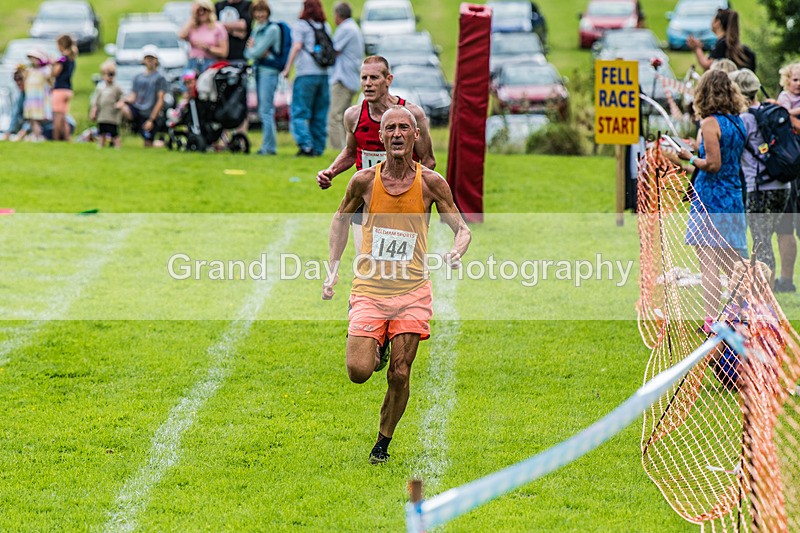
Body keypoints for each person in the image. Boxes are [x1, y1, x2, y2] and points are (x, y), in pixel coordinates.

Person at [322, 105, 471, 464]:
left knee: (400, 374)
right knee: (359, 372)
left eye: (405, 128)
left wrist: (457, 249)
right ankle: (378, 347)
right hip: (370, 289)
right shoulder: (364, 181)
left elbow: (462, 227)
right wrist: (332, 269)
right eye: (390, 129)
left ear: (416, 135)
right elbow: (340, 220)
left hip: (412, 292)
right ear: (381, 137)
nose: (398, 134)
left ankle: (382, 444)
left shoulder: (431, 183)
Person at [317, 56, 435, 252]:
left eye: (374, 78)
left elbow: (429, 161)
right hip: (365, 196)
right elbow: (351, 151)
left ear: (388, 80)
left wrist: (413, 196)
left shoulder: (413, 115)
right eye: (364, 78)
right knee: (365, 260)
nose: (368, 84)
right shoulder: (353, 115)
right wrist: (331, 171)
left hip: (400, 199)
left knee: (400, 264)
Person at [675, 70, 748, 326]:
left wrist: (690, 157)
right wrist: (698, 149)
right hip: (733, 194)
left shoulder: (709, 123)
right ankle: (743, 313)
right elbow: (727, 157)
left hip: (710, 197)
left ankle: (711, 320)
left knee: (708, 262)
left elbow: (713, 164)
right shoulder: (738, 122)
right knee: (732, 262)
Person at [731, 68, 790, 280]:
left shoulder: (745, 119)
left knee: (761, 243)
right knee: (765, 239)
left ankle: (766, 296)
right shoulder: (770, 111)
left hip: (760, 188)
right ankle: (767, 293)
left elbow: (733, 151)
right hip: (782, 186)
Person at [281, 0, 332, 156]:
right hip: (323, 74)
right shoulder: (325, 26)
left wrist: (287, 68)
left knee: (299, 111)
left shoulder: (301, 25)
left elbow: (297, 46)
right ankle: (318, 147)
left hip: (305, 74)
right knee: (319, 113)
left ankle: (306, 145)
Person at [774, 61, 800, 292]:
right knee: (784, 227)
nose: (798, 84)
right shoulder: (783, 98)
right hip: (788, 172)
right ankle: (785, 280)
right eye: (795, 79)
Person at [244, 0, 281, 155]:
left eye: (262, 11)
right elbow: (248, 53)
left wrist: (253, 49)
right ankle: (267, 145)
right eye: (257, 12)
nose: (259, 15)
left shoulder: (272, 29)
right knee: (262, 110)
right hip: (259, 71)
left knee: (266, 110)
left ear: (267, 12)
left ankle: (269, 147)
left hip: (269, 72)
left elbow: (254, 52)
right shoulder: (257, 28)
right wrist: (254, 50)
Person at [327, 2, 364, 151]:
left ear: (338, 15)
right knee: (345, 117)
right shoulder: (353, 27)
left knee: (334, 116)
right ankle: (348, 149)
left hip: (343, 79)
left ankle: (338, 151)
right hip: (351, 78)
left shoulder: (345, 28)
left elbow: (333, 49)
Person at [118, 46, 168, 148]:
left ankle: (162, 143)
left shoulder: (160, 78)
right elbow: (133, 96)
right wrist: (122, 101)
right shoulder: (138, 77)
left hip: (149, 113)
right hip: (137, 110)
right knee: (121, 108)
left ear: (156, 60)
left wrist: (151, 119)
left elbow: (160, 100)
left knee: (148, 144)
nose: (149, 60)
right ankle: (117, 135)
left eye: (152, 58)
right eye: (147, 58)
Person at [687, 9, 756, 72]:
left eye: (713, 19)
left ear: (717, 22)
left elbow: (707, 65)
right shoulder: (728, 43)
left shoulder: (723, 44)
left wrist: (697, 48)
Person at [179, 0, 229, 74]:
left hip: (210, 63)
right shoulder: (193, 26)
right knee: (187, 80)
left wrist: (207, 48)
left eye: (204, 10)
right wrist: (193, 16)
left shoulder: (218, 27)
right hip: (193, 62)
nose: (201, 13)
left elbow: (224, 52)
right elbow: (181, 36)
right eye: (198, 11)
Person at [90, 60, 124, 149]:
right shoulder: (100, 87)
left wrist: (120, 103)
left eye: (111, 74)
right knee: (102, 131)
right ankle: (101, 145)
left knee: (114, 132)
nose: (109, 77)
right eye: (107, 74)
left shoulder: (117, 87)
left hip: (112, 115)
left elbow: (123, 97)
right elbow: (95, 100)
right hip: (102, 114)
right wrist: (94, 111)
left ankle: (117, 146)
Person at [22, 49, 52, 143]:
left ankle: (37, 136)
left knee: (36, 119)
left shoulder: (45, 70)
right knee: (32, 119)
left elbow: (50, 81)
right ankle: (36, 136)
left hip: (40, 99)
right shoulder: (29, 71)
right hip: (31, 99)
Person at [51, 34, 76, 141]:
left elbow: (55, 73)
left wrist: (53, 65)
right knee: (63, 117)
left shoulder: (62, 59)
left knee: (57, 117)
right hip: (68, 90)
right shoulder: (72, 58)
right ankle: (67, 138)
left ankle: (56, 139)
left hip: (59, 90)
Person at [1, 68, 25, 141]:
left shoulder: (31, 94)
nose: (18, 82)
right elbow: (15, 113)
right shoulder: (21, 94)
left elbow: (34, 117)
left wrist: (24, 130)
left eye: (20, 79)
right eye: (16, 80)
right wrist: (9, 131)